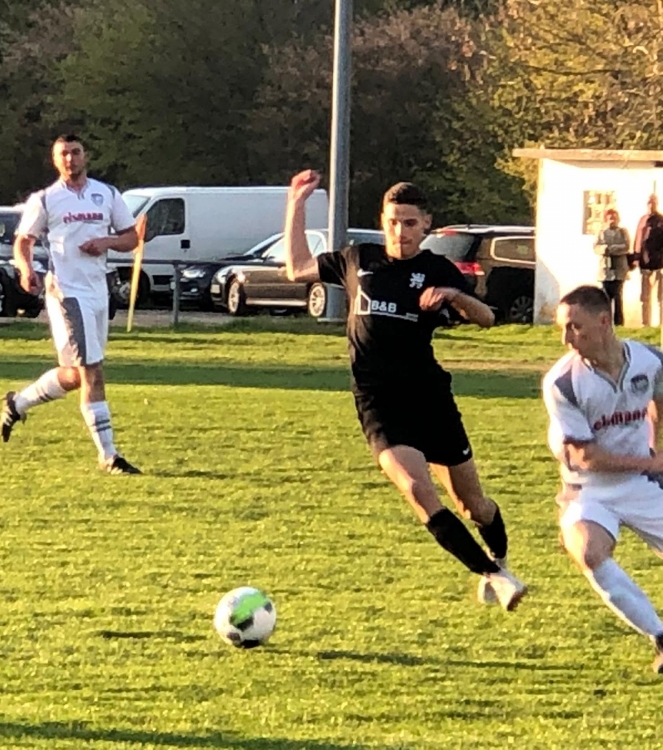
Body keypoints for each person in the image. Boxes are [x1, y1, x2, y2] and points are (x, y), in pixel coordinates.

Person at [283, 170, 528, 610]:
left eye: (410, 223)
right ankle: (496, 577)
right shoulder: (359, 258)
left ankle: (500, 559)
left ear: (426, 224)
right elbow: (297, 268)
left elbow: (487, 317)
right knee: (417, 490)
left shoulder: (437, 269)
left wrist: (452, 295)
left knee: (473, 506)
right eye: (393, 222)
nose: (401, 231)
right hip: (378, 401)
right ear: (382, 221)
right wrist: (296, 205)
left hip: (429, 398)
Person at [0, 134, 142, 475]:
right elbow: (23, 241)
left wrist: (106, 242)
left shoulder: (106, 194)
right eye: (63, 154)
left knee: (76, 375)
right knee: (93, 370)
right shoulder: (46, 199)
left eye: (75, 152)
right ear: (55, 160)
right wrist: (25, 270)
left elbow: (132, 237)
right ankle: (109, 456)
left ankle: (17, 403)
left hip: (97, 290)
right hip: (67, 292)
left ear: (85, 156)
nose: (70, 159)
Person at [543, 284, 663, 673]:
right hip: (588, 489)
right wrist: (650, 462)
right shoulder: (562, 382)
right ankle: (660, 637)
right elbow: (586, 457)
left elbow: (660, 399)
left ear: (604, 321)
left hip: (641, 482)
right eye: (563, 328)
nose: (566, 338)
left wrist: (656, 446)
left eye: (575, 327)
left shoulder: (649, 360)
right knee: (588, 552)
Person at [593, 208, 630, 326]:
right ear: (605, 219)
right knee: (606, 298)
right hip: (606, 271)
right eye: (610, 218)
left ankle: (619, 323)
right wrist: (604, 249)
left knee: (618, 297)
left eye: (614, 218)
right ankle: (606, 323)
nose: (612, 221)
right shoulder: (601, 232)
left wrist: (613, 249)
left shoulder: (622, 232)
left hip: (619, 270)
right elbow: (596, 247)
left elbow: (626, 246)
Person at [634, 195, 663, 326]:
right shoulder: (642, 220)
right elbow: (637, 240)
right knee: (644, 297)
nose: (651, 206)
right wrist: (636, 258)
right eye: (649, 203)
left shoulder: (661, 220)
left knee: (660, 297)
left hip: (658, 264)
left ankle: (661, 323)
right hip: (644, 264)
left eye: (653, 203)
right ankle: (645, 323)